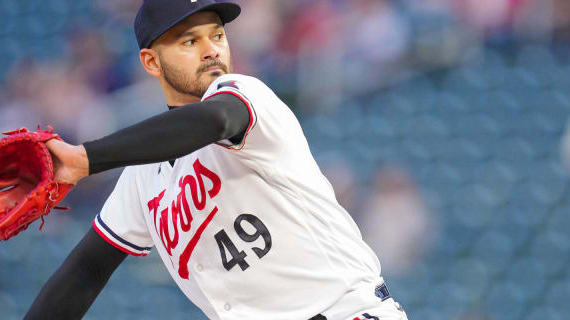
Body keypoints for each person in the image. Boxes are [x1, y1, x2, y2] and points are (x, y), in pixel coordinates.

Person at [26, 1, 407, 319]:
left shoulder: (245, 94)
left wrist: (86, 158)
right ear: (151, 62)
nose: (211, 50)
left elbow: (217, 120)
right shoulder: (143, 177)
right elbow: (86, 270)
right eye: (190, 41)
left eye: (218, 35)